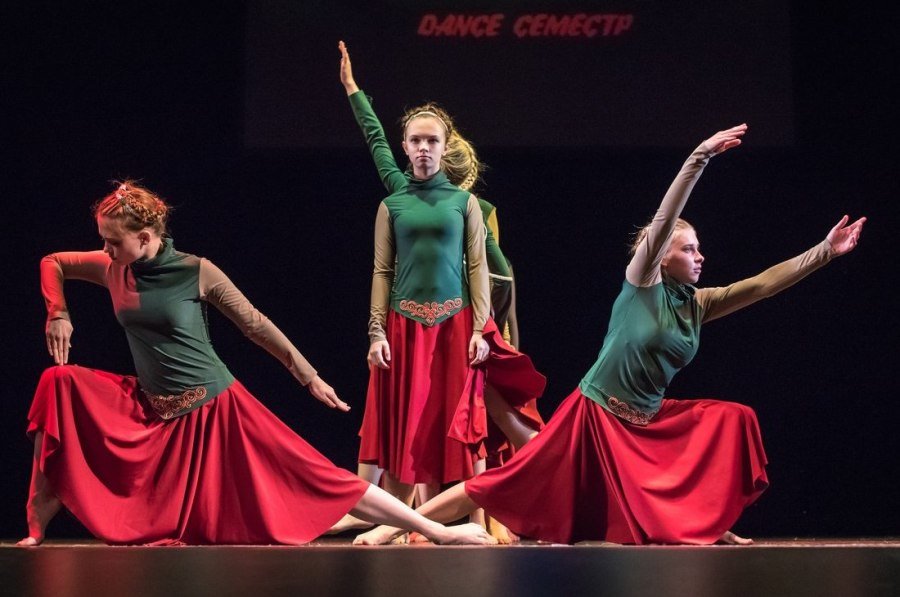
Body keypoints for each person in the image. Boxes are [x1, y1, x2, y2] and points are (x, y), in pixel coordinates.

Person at [352, 123, 866, 546]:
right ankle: (398, 524)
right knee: (505, 482)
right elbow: (665, 217)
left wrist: (824, 251)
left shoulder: (698, 304)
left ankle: (705, 521)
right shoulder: (642, 283)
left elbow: (762, 285)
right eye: (688, 249)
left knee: (732, 420)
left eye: (698, 249)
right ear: (661, 254)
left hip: (644, 423)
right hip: (595, 415)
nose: (700, 256)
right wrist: (699, 158)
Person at [17, 181, 495, 546]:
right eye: (102, 241)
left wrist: (308, 377)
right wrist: (58, 312)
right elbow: (52, 262)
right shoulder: (113, 267)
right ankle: (39, 514)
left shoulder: (195, 271)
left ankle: (436, 530)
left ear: (144, 237)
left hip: (214, 408)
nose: (104, 250)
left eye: (112, 241)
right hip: (153, 410)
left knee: (317, 475)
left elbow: (256, 325)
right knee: (58, 382)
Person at [332, 42, 544, 542]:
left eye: (432, 140)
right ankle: (394, 522)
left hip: (455, 324)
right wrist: (352, 90)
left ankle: (470, 523)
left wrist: (481, 330)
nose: (423, 148)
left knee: (465, 424)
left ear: (444, 146)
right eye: (416, 140)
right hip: (405, 324)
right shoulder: (394, 198)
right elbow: (382, 269)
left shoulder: (465, 204)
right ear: (406, 147)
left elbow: (484, 269)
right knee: (404, 426)